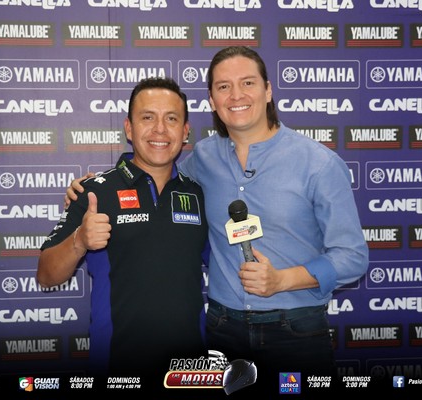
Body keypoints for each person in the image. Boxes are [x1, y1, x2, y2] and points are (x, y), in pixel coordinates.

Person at [66, 46, 369, 394]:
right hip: (222, 331)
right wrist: (91, 187)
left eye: (247, 83)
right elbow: (154, 172)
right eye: (224, 87)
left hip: (296, 332)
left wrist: (283, 280)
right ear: (212, 100)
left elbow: (352, 256)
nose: (236, 95)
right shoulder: (202, 159)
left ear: (268, 90)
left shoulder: (318, 163)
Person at [37, 77, 209, 391]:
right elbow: (46, 275)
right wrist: (79, 241)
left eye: (171, 119)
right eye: (148, 117)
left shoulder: (199, 194)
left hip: (189, 373)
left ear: (185, 132)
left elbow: (228, 266)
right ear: (129, 128)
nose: (160, 129)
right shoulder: (94, 192)